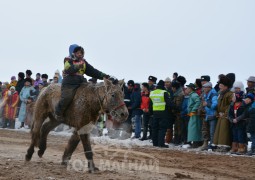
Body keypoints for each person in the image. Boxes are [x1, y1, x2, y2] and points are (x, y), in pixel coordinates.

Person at [55, 45, 109, 121]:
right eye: (77, 52)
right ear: (72, 53)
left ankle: (95, 114)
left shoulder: (83, 62)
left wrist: (105, 76)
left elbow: (93, 71)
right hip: (70, 83)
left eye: (81, 52)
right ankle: (58, 113)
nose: (80, 54)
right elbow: (68, 69)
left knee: (91, 94)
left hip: (81, 82)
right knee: (67, 97)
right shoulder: (67, 60)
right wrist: (77, 67)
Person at [214, 74, 235, 152]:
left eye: (221, 85)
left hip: (225, 116)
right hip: (220, 115)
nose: (220, 86)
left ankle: (224, 146)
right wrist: (217, 112)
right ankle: (218, 145)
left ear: (226, 86)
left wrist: (225, 114)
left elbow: (230, 105)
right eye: (219, 85)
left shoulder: (230, 94)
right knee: (219, 131)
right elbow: (218, 104)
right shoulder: (220, 94)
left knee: (224, 132)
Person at [150, 80, 173, 148]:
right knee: (162, 128)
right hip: (163, 112)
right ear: (163, 86)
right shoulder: (164, 92)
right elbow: (169, 103)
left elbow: (150, 104)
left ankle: (155, 143)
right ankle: (161, 143)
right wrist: (177, 107)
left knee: (155, 128)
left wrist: (151, 113)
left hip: (155, 113)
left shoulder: (152, 93)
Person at [200, 82, 218, 151]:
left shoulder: (213, 95)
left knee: (212, 132)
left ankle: (212, 145)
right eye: (203, 87)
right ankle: (208, 144)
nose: (204, 88)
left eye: (205, 87)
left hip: (212, 115)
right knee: (206, 131)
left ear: (209, 87)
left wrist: (207, 104)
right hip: (207, 115)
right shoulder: (206, 94)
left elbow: (215, 105)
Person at [186, 83, 202, 148]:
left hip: (194, 114)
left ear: (190, 89)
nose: (186, 89)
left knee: (194, 129)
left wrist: (193, 110)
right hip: (192, 114)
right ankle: (196, 142)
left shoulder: (194, 95)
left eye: (187, 88)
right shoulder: (192, 95)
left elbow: (198, 101)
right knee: (193, 128)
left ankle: (196, 142)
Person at [171, 80, 184, 145]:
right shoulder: (176, 94)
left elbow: (178, 106)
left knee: (179, 127)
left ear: (175, 88)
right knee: (176, 127)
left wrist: (171, 105)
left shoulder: (179, 95)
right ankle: (176, 139)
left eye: (172, 87)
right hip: (176, 114)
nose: (172, 89)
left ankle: (178, 140)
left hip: (179, 114)